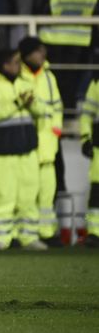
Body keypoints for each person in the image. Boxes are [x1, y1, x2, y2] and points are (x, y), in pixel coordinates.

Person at [0, 49, 44, 251]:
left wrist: (31, 103)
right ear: (4, 65)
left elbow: (42, 111)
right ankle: (0, 238)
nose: (18, 66)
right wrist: (18, 102)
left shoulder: (26, 85)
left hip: (28, 151)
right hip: (3, 154)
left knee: (29, 196)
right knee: (4, 196)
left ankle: (29, 237)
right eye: (14, 62)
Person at [18, 37, 63, 248]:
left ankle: (47, 232)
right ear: (27, 55)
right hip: (26, 144)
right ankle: (28, 234)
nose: (42, 54)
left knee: (47, 191)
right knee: (28, 193)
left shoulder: (49, 76)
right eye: (37, 51)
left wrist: (56, 129)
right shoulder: (18, 76)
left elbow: (58, 107)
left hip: (48, 144)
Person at [79, 75, 99, 248]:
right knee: (97, 189)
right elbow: (87, 114)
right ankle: (94, 232)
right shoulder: (96, 82)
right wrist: (85, 137)